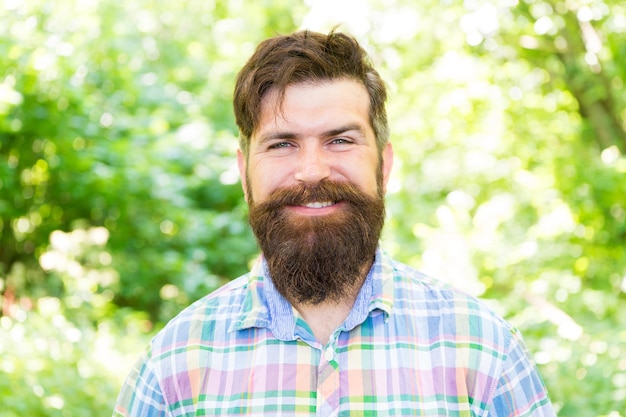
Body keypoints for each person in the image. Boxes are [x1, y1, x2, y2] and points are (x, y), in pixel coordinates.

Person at [113, 30, 555, 416]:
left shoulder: (484, 351)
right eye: (282, 144)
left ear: (384, 166)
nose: (312, 170)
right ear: (244, 173)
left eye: (340, 140)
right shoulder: (172, 365)